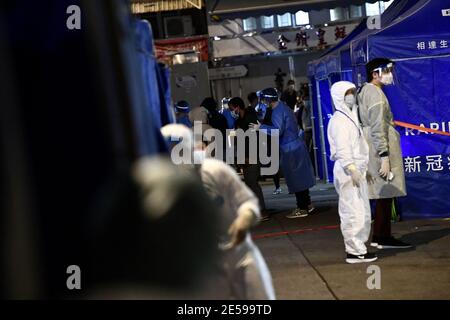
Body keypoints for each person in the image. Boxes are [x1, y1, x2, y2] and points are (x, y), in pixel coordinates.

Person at [160, 123, 276, 300]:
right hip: (205, 265)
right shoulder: (162, 187)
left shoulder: (215, 170)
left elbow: (246, 200)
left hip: (240, 255)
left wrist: (246, 216)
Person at [358, 58, 411, 249]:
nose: (390, 74)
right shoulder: (376, 95)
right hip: (378, 147)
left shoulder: (365, 91)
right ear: (375, 73)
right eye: (387, 70)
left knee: (383, 193)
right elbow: (378, 127)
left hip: (370, 144)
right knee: (385, 192)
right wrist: (384, 156)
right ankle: (382, 236)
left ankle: (381, 234)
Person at [328, 81, 378, 264]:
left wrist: (364, 170)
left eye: (352, 92)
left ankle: (359, 248)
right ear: (339, 96)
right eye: (347, 93)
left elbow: (358, 145)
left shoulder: (349, 116)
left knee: (362, 212)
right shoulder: (339, 121)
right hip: (349, 172)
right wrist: (351, 168)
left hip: (357, 171)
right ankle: (354, 251)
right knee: (353, 212)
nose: (351, 95)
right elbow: (343, 150)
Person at [250, 88, 315, 218]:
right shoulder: (283, 107)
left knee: (296, 179)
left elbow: (278, 131)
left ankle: (302, 208)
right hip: (295, 145)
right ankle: (307, 204)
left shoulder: (277, 111)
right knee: (301, 178)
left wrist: (260, 127)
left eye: (263, 100)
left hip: (290, 148)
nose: (262, 103)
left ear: (267, 99)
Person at [228, 97, 267, 219]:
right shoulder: (240, 120)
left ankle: (262, 210)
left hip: (252, 154)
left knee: (253, 183)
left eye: (231, 108)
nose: (230, 111)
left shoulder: (250, 118)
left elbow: (253, 138)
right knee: (250, 183)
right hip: (245, 155)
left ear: (237, 107)